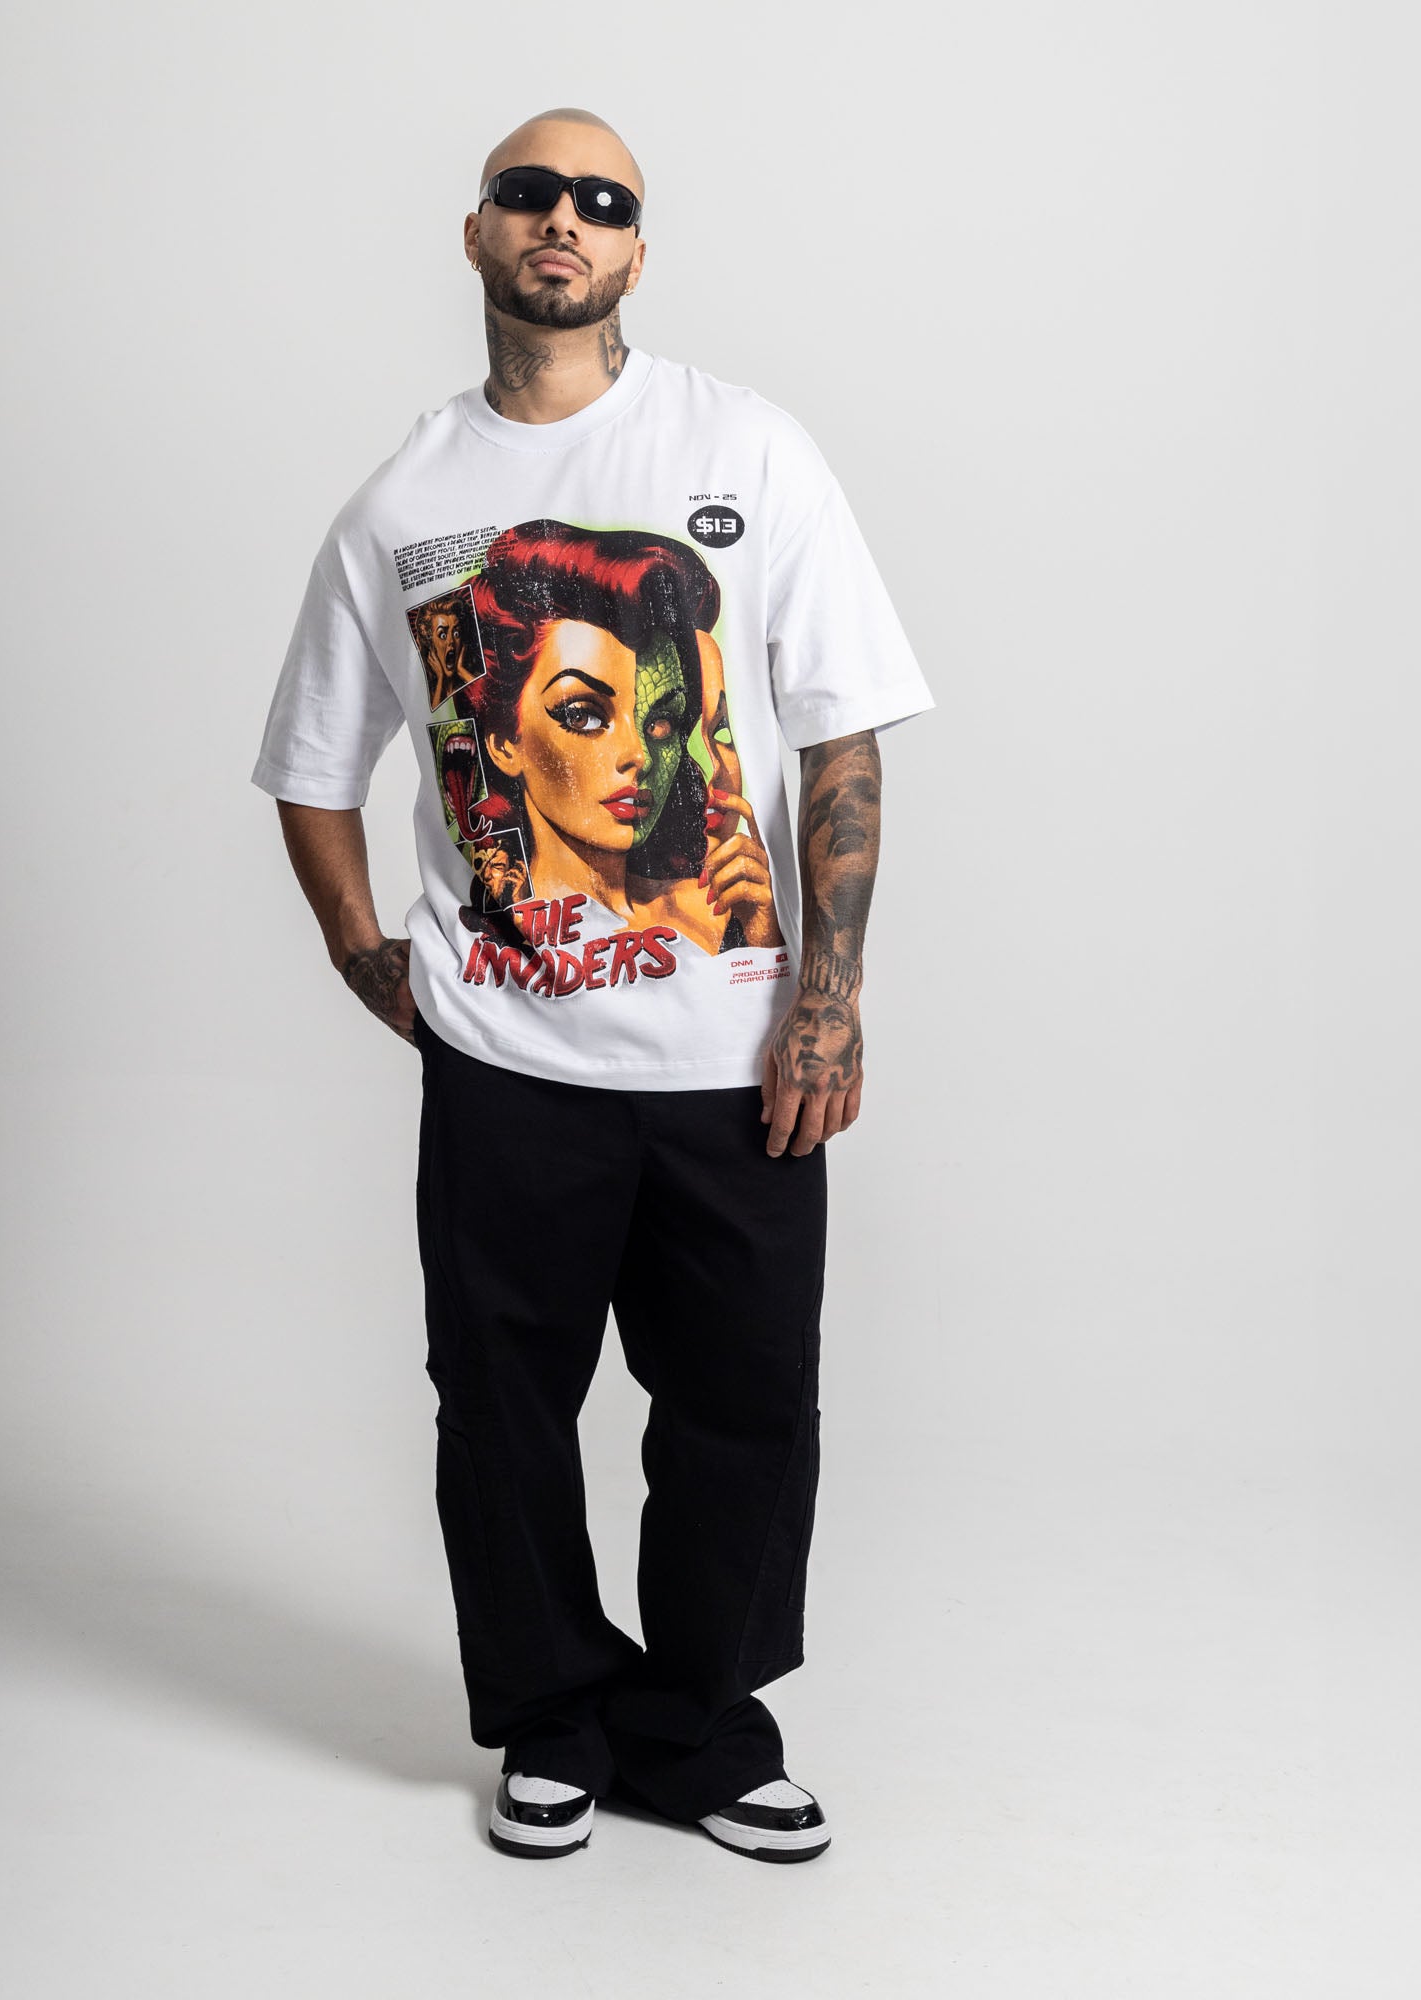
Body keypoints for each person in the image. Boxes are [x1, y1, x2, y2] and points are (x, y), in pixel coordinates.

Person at [250, 106, 934, 1864]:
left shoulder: (748, 447)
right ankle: (551, 1718)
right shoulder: (403, 506)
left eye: (603, 200)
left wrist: (830, 997)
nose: (566, 217)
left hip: (736, 1054)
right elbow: (313, 765)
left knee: (745, 1413)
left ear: (637, 248)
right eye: (531, 192)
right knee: (502, 1410)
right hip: (505, 1065)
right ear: (479, 231)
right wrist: (370, 958)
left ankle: (699, 1732)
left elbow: (840, 734)